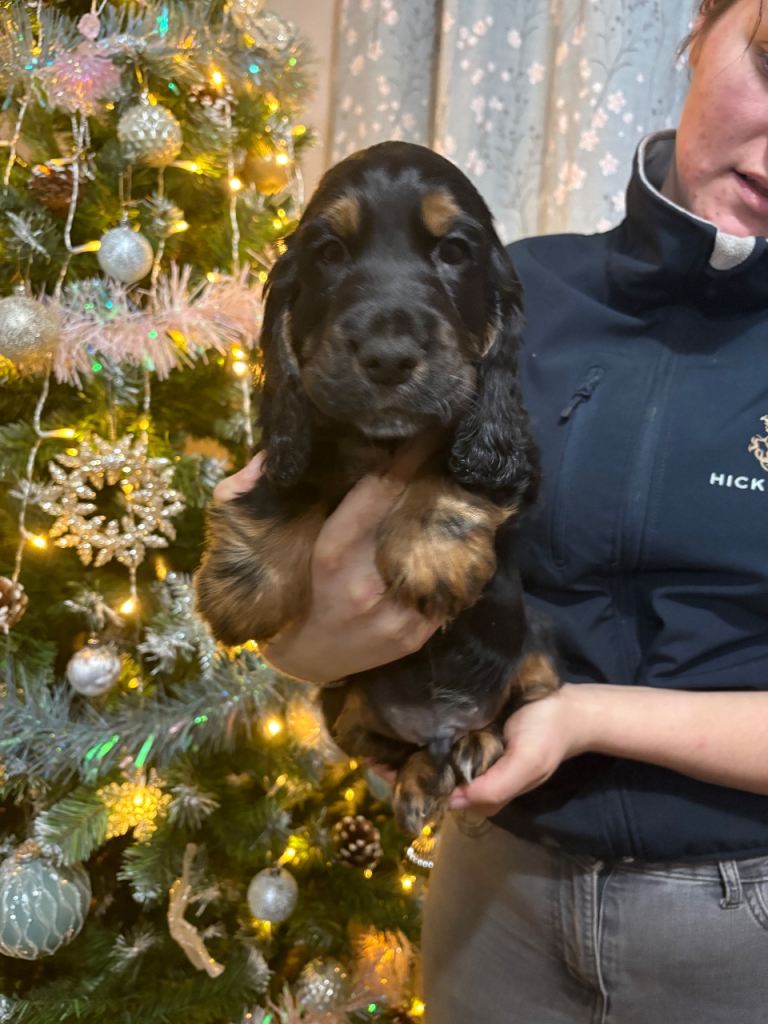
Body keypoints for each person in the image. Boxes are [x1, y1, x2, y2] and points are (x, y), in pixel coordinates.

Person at [212, 1, 768, 1019]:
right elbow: (310, 610)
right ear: (702, 29)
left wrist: (586, 716)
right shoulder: (507, 289)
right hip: (492, 894)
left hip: (744, 927)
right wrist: (310, 638)